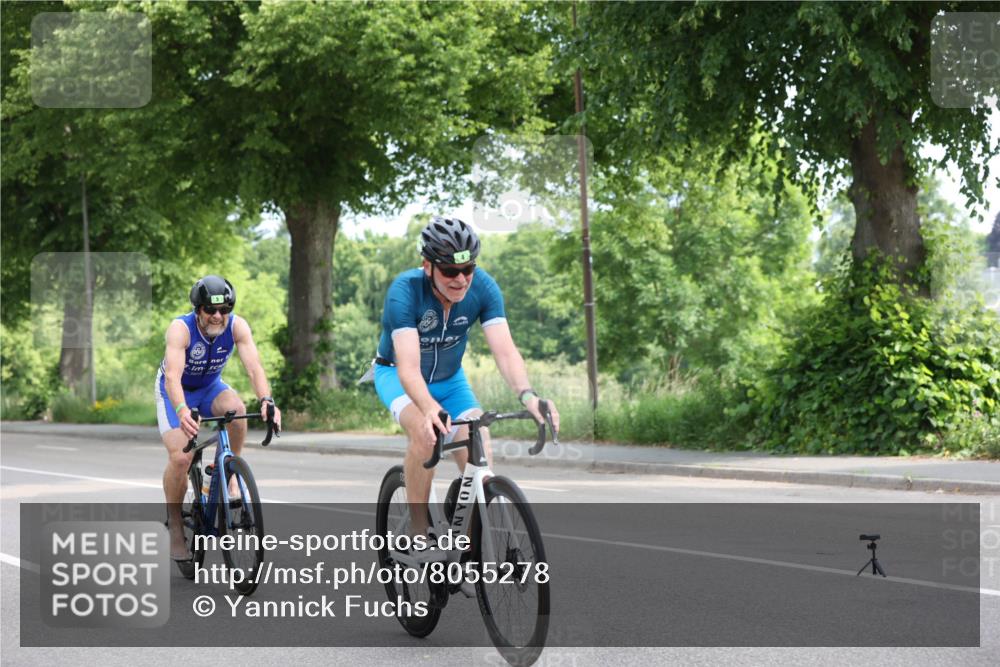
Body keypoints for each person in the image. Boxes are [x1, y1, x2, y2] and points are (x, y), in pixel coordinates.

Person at [370, 217, 559, 548]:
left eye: (468, 269)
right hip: (397, 375)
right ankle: (419, 532)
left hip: (450, 380)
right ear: (427, 266)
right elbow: (409, 368)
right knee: (426, 435)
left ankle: (467, 547)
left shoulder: (483, 287)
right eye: (449, 271)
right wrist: (428, 409)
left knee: (479, 443)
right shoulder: (404, 292)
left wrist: (528, 395)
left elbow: (505, 352)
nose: (460, 279)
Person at [156, 275, 281, 563]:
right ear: (198, 309)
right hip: (175, 393)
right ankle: (175, 524)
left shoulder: (237, 326)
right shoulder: (180, 329)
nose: (217, 316)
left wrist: (266, 400)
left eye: (224, 309)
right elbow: (172, 377)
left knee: (236, 410)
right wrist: (182, 410)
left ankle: (227, 472)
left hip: (210, 387)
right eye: (210, 310)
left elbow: (254, 368)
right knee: (181, 458)